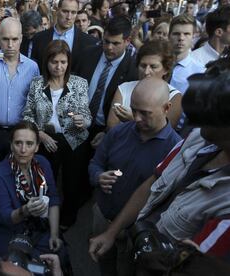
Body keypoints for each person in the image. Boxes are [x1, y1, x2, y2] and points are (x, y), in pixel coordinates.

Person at [88, 57, 230, 270]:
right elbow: (154, 182)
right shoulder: (194, 140)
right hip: (132, 239)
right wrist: (111, 233)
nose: (198, 113)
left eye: (211, 105)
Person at [88, 78, 182, 276]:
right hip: (102, 217)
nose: (136, 118)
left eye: (145, 113)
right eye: (134, 109)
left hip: (137, 234)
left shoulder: (176, 152)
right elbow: (95, 164)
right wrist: (98, 176)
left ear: (167, 108)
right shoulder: (118, 132)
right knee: (104, 266)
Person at [23, 40, 92, 227]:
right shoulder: (37, 84)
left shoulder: (79, 83)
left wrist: (82, 121)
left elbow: (87, 115)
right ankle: (43, 217)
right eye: (54, 62)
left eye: (63, 62)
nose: (59, 67)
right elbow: (28, 114)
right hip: (46, 139)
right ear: (47, 62)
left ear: (68, 62)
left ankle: (67, 219)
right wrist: (40, 134)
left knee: (72, 183)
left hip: (74, 139)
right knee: (45, 181)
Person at [0, 121, 62, 258]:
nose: (23, 150)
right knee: (32, 264)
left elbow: (53, 198)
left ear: (37, 147)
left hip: (31, 225)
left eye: (29, 144)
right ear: (11, 146)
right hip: (3, 230)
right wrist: (25, 210)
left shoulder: (42, 163)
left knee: (59, 253)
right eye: (18, 143)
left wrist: (54, 235)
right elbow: (5, 217)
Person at [0, 17, 40, 171]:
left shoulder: (32, 67)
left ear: (21, 39)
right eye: (5, 39)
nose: (10, 45)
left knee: (19, 173)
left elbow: (36, 101)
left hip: (20, 132)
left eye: (15, 39)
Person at [74, 16, 138, 139]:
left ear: (127, 41)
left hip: (105, 133)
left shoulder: (133, 70)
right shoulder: (87, 54)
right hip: (76, 123)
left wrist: (108, 133)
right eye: (106, 41)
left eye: (115, 43)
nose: (109, 47)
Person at [107, 40, 182, 129]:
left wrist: (132, 120)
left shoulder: (174, 96)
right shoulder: (124, 88)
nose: (146, 72)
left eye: (153, 67)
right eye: (143, 66)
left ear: (166, 69)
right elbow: (111, 127)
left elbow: (166, 132)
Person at [31, 0, 99, 74]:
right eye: (65, 11)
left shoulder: (90, 42)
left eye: (73, 12)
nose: (69, 17)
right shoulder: (39, 38)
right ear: (57, 10)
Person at [169, 14, 205, 94]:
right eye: (176, 34)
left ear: (193, 37)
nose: (181, 38)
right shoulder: (156, 64)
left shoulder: (200, 72)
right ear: (169, 36)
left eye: (186, 34)